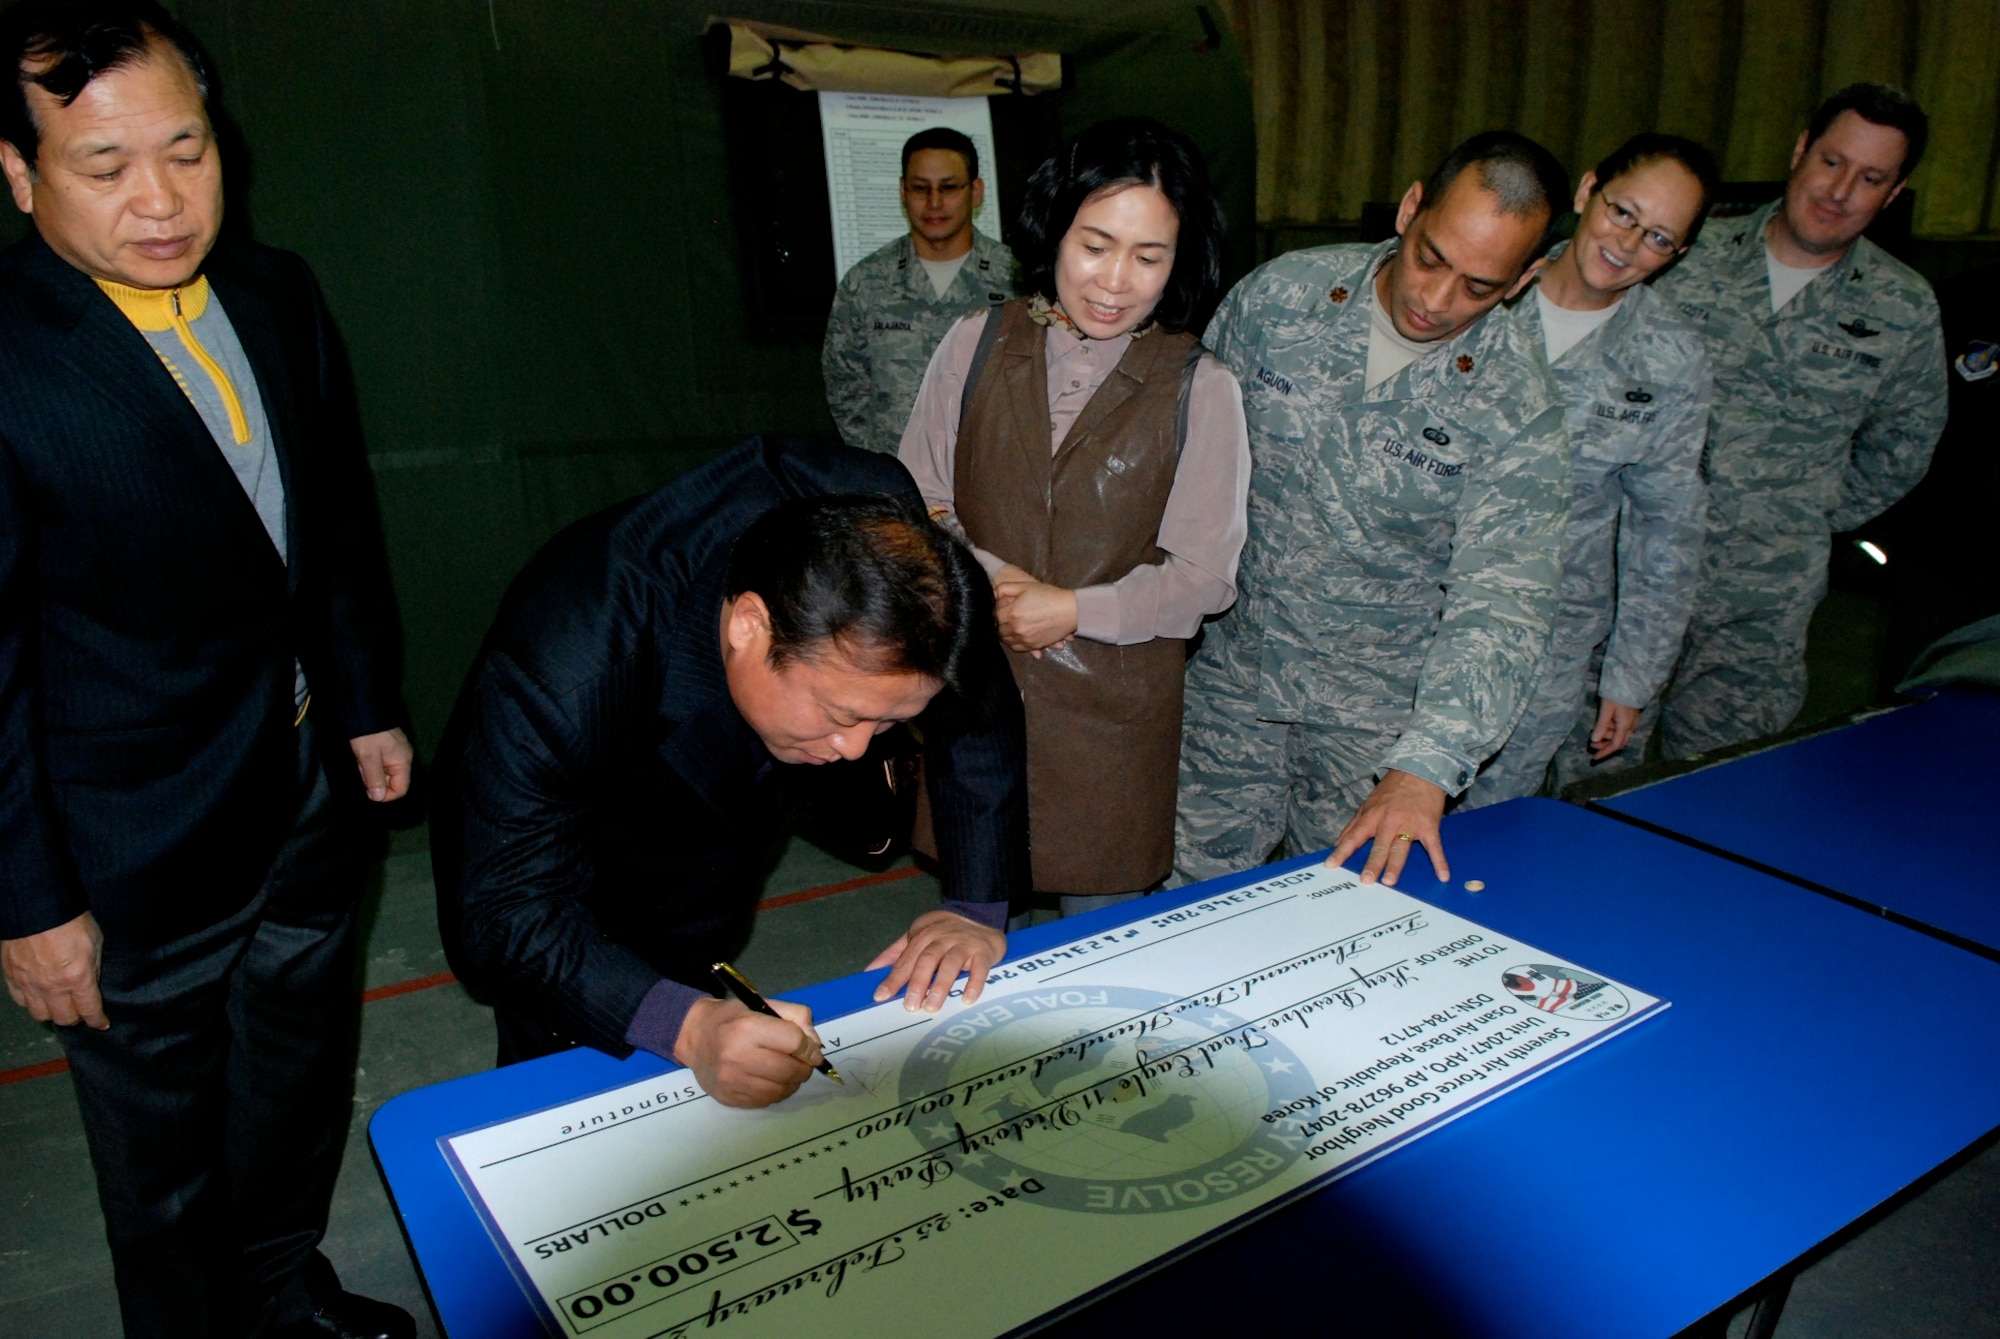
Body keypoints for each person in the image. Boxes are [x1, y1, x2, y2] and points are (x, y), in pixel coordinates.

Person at [0, 3, 413, 1337]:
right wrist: (27, 898)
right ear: (18, 172)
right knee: (160, 1167)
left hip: (303, 794)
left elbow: (333, 522)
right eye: (105, 166)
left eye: (186, 149)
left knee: (294, 1085)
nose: (162, 198)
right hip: (127, 843)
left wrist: (364, 704)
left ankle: (286, 1289)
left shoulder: (277, 290)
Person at [431, 437, 1029, 1108]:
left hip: (719, 765)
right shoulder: (570, 665)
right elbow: (509, 911)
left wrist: (976, 907)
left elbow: (977, 697)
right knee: (581, 1015)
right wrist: (684, 1025)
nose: (858, 751)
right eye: (839, 712)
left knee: (699, 931)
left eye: (886, 722)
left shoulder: (882, 531)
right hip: (588, 809)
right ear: (750, 623)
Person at [1175, 131, 1572, 890]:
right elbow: (1182, 464)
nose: (1435, 299)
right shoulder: (1279, 298)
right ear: (1411, 207)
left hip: (1373, 726)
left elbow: (1505, 599)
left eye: (1479, 286)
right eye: (1431, 257)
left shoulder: (1518, 403)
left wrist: (1425, 767)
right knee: (1178, 903)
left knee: (1344, 932)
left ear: (1525, 278)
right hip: (1226, 686)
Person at [900, 117, 1249, 917]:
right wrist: (993, 582)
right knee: (974, 948)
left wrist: (1073, 609)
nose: (1115, 281)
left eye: (1148, 256)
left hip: (1113, 730)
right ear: (1054, 229)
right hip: (978, 700)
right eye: (1095, 244)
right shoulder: (973, 344)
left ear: (1179, 261)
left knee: (1104, 965)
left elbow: (1204, 578)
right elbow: (918, 497)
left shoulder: (1202, 386)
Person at [1648, 83, 1945, 759]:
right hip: (1632, 579)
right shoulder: (1685, 257)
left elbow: (1905, 444)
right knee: (1583, 778)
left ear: (1893, 194)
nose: (1840, 191)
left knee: (1723, 794)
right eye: (1832, 162)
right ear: (1800, 151)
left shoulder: (1902, 307)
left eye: (1870, 178)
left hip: (1761, 610)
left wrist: (1802, 513)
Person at [1459, 134, 1717, 807]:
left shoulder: (1668, 360)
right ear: (1586, 191)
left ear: (1680, 254)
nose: (1629, 245)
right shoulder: (1482, 289)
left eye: (1659, 239)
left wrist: (1631, 680)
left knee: (1485, 827)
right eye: (1623, 214)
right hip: (1409, 616)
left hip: (1544, 645)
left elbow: (1665, 533)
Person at [822, 127, 1019, 454]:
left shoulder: (1016, 280)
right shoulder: (866, 283)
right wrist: (878, 463)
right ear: (902, 191)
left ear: (976, 191)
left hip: (991, 476)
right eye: (919, 188)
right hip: (898, 484)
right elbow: (845, 387)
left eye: (949, 187)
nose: (934, 203)